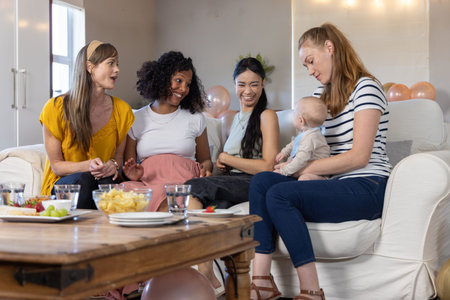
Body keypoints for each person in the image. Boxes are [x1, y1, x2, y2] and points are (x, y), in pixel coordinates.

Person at [249, 23, 391, 300]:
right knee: (262, 181)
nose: (310, 70)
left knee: (279, 195)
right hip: (331, 184)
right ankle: (262, 281)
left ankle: (312, 291)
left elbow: (359, 156)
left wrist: (301, 169)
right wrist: (293, 165)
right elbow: (310, 146)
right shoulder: (318, 98)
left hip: (367, 184)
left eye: (311, 61)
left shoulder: (367, 88)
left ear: (330, 47)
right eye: (305, 66)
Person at [185, 57, 280, 293]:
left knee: (191, 187)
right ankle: (205, 269)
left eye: (254, 84)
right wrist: (221, 165)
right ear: (234, 84)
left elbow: (268, 165)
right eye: (242, 84)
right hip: (235, 180)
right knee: (191, 196)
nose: (247, 91)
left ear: (263, 84)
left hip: (255, 182)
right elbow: (235, 158)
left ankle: (205, 273)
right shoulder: (236, 118)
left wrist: (228, 159)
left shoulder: (267, 116)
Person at [40, 40, 134, 209]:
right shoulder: (55, 108)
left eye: (117, 64)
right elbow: (57, 167)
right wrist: (88, 166)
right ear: (90, 67)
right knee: (85, 179)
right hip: (64, 186)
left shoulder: (122, 110)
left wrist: (111, 166)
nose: (117, 69)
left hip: (100, 181)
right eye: (111, 63)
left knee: (107, 183)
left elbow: (118, 159)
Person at [122, 51, 213, 212]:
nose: (183, 89)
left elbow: (206, 160)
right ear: (162, 79)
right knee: (121, 193)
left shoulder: (195, 118)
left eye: (188, 84)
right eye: (178, 81)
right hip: (148, 184)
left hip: (185, 184)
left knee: (189, 202)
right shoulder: (136, 119)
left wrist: (206, 169)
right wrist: (132, 174)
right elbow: (130, 166)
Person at [274, 96, 329, 180]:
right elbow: (294, 143)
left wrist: (283, 171)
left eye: (294, 115)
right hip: (304, 165)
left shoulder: (311, 137)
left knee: (304, 178)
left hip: (317, 172)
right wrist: (284, 152)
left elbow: (301, 159)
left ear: (300, 120)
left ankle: (323, 180)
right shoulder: (306, 133)